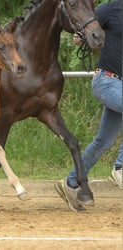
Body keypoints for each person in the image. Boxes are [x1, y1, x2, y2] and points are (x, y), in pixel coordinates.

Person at [55, 0, 122, 212]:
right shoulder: (112, 8)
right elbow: (79, 35)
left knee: (104, 141)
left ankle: (71, 181)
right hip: (106, 81)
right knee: (104, 141)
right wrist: (82, 38)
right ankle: (120, 167)